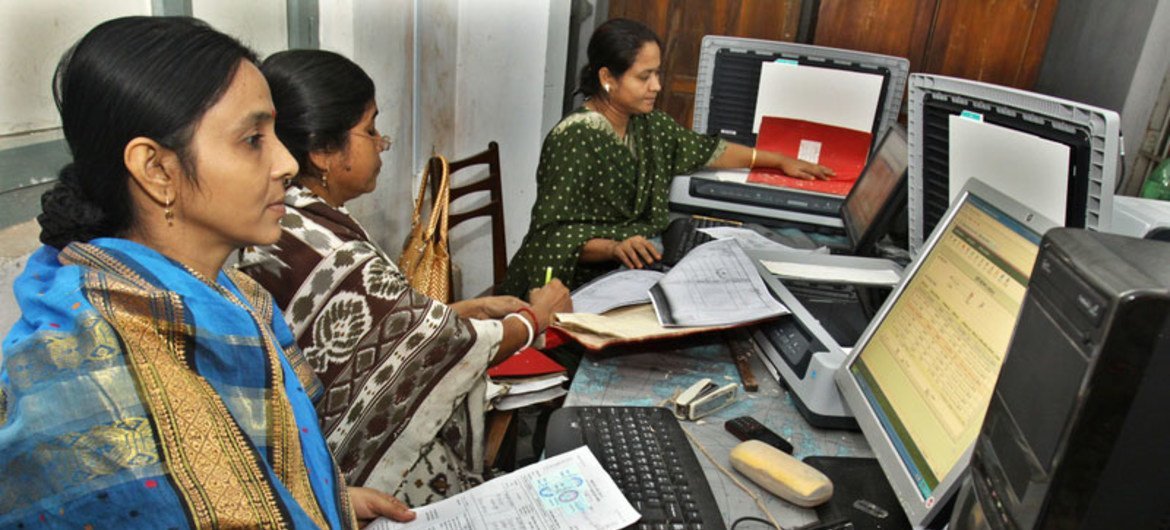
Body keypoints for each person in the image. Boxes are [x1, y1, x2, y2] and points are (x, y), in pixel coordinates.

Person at [0, 17, 414, 528]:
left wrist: (328, 500)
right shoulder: (99, 378)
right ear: (156, 169)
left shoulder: (230, 294)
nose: (286, 162)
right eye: (252, 139)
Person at [238, 50, 572, 505]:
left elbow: (377, 333)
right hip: (359, 474)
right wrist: (537, 319)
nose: (382, 142)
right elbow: (431, 347)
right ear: (321, 152)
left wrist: (464, 309)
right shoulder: (324, 245)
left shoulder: (297, 219)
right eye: (370, 129)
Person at [500, 18, 835, 296]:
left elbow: (707, 149)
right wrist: (614, 248)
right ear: (607, 78)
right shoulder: (574, 139)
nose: (657, 86)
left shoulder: (648, 125)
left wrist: (775, 159)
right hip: (564, 285)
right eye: (644, 76)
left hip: (622, 267)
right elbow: (551, 235)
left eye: (657, 74)